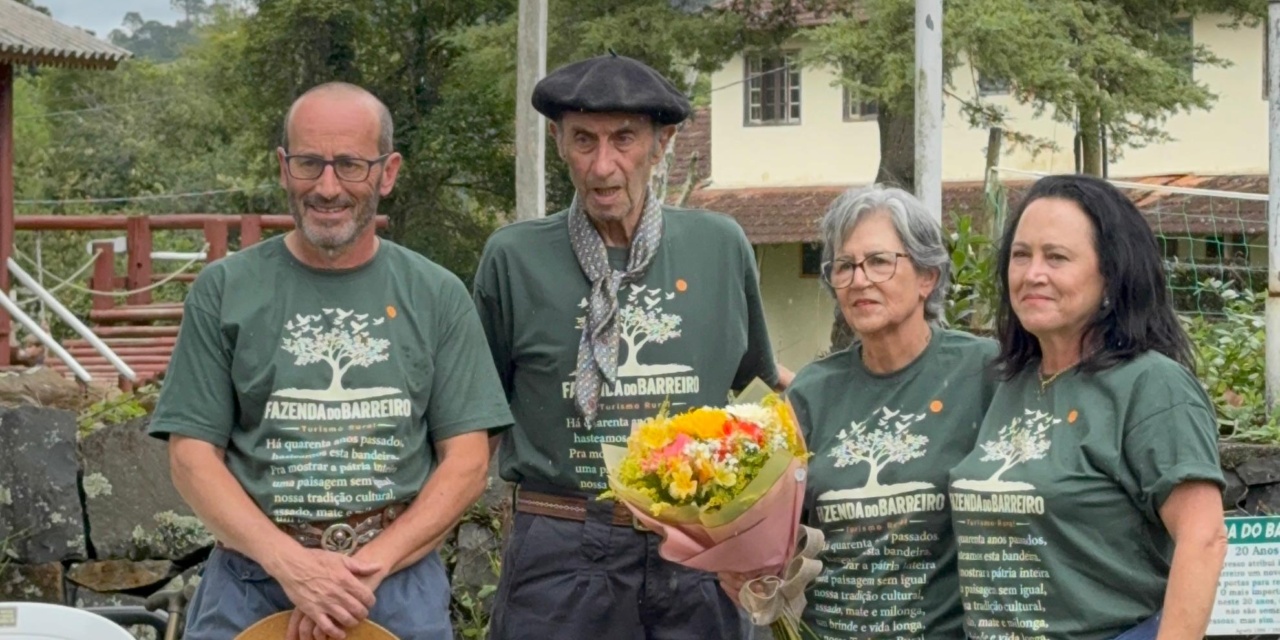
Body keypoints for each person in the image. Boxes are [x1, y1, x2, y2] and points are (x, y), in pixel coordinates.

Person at [149, 82, 513, 640]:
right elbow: (192, 456)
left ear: (387, 173)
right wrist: (290, 565)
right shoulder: (224, 290)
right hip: (252, 579)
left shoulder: (436, 294)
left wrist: (354, 576)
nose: (327, 186)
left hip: (394, 582)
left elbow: (466, 461)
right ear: (282, 167)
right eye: (309, 163)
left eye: (349, 165)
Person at [473, 53, 779, 639]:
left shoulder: (720, 248)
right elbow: (477, 417)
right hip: (561, 547)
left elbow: (753, 397)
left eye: (624, 140)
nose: (602, 165)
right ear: (559, 143)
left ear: (661, 146)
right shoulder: (513, 260)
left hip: (695, 546)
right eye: (583, 140)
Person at [948, 174, 1227, 640]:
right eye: (1021, 255)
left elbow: (1204, 539)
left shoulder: (1151, 385)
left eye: (1056, 257)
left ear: (1112, 274)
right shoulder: (1005, 382)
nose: (1033, 273)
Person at [722, 185, 998, 638]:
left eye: (879, 262)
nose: (859, 280)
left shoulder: (983, 372)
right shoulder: (812, 391)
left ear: (927, 276)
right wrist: (745, 570)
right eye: (844, 266)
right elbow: (774, 533)